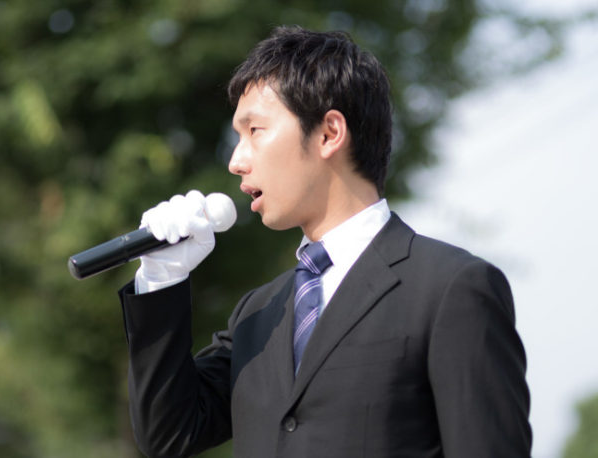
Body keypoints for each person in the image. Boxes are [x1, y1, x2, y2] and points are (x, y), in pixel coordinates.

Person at [118, 26, 531, 457]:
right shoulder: (258, 314)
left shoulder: (451, 288)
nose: (236, 161)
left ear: (330, 132)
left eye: (254, 130)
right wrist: (162, 278)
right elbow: (168, 435)